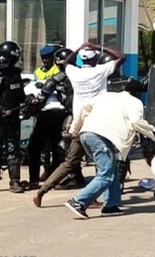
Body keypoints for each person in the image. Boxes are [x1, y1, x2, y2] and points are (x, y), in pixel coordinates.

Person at [33, 43, 123, 205]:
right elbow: (121, 57)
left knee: (70, 162)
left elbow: (67, 61)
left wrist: (81, 47)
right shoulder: (100, 71)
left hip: (79, 124)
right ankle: (92, 200)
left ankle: (42, 191)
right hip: (99, 125)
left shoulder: (74, 73)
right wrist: (98, 46)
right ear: (96, 58)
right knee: (104, 164)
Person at [64, 77, 155, 219]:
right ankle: (78, 202)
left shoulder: (105, 97)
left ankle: (111, 205)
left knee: (112, 169)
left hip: (87, 133)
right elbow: (136, 122)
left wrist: (73, 130)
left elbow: (84, 107)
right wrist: (153, 133)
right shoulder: (135, 102)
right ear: (136, 92)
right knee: (106, 174)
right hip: (102, 137)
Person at [25, 47, 73, 190]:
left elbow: (43, 94)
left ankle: (43, 179)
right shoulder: (79, 75)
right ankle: (55, 176)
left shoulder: (60, 76)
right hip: (67, 114)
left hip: (53, 113)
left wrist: (35, 99)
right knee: (60, 147)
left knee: (40, 147)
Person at [0, 41, 27, 193]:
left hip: (13, 117)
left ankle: (15, 181)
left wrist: (29, 101)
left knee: (14, 149)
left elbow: (21, 95)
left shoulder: (16, 74)